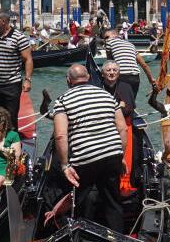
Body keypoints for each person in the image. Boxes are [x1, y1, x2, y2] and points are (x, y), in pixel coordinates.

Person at [53, 63, 133, 231]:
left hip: (85, 158)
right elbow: (122, 128)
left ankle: (84, 239)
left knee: (81, 200)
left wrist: (64, 165)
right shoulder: (107, 96)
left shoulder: (63, 100)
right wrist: (121, 156)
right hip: (113, 154)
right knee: (113, 202)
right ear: (89, 77)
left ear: (68, 80)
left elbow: (60, 135)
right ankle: (118, 241)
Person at [0, 8, 34, 115]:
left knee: (11, 117)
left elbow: (28, 59)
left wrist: (27, 79)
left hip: (12, 84)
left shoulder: (19, 37)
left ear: (4, 21)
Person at [104, 31, 142, 100]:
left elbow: (109, 63)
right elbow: (144, 65)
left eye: (107, 37)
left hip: (122, 76)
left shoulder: (109, 43)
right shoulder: (131, 45)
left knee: (119, 100)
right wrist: (151, 81)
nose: (105, 40)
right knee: (131, 103)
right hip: (136, 78)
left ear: (114, 35)